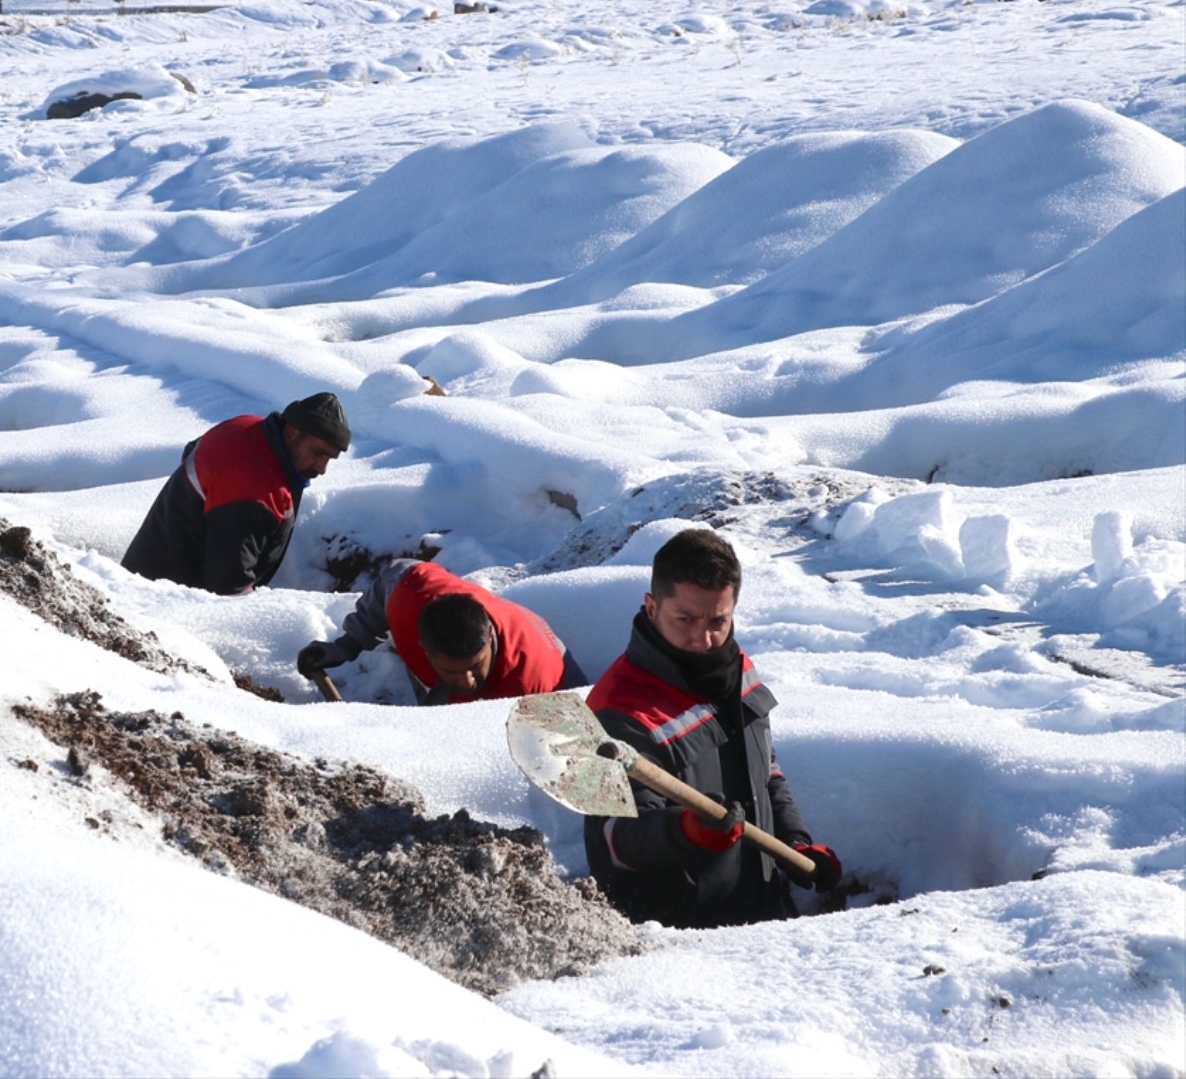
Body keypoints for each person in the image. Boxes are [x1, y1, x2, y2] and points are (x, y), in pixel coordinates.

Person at [582, 527, 840, 928]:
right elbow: (614, 841)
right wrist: (687, 830)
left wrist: (796, 843)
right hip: (684, 939)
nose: (703, 639)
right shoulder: (618, 710)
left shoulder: (736, 669)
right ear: (651, 607)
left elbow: (766, 771)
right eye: (685, 618)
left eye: (718, 620)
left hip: (761, 916)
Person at [121, 392, 350, 595]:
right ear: (291, 432)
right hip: (167, 602)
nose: (322, 468)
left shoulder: (248, 427)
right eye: (318, 453)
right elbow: (230, 586)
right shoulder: (253, 489)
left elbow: (194, 451)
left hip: (143, 576)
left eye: (330, 458)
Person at [296, 558, 588, 705]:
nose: (467, 679)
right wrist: (347, 644)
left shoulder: (524, 690)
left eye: (475, 666)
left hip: (555, 673)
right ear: (423, 647)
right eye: (452, 671)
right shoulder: (410, 592)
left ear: (487, 640)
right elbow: (392, 575)